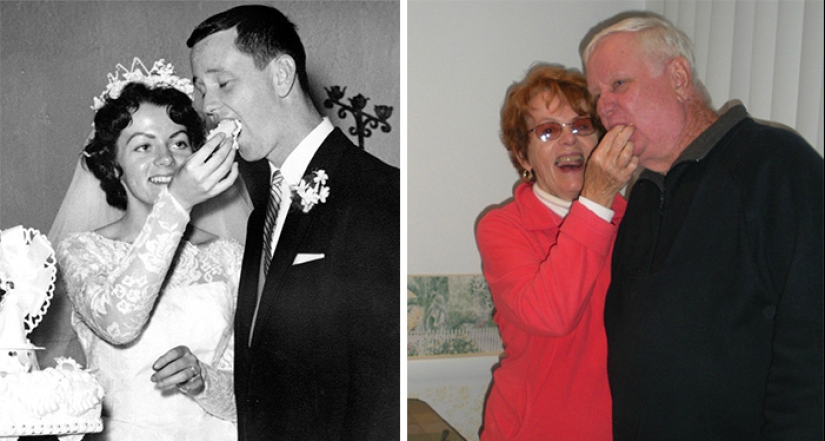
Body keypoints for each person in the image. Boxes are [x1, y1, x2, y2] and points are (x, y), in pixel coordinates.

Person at [583, 13, 824, 440]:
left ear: (679, 78)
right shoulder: (642, 195)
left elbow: (812, 350)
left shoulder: (777, 166)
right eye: (597, 94)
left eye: (619, 84)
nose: (604, 106)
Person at [186, 5, 400, 441]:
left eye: (223, 83)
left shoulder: (378, 194)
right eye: (201, 90)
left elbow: (382, 389)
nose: (208, 106)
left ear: (282, 75)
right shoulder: (260, 216)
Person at [53, 58, 249, 441]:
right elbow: (119, 324)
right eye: (143, 146)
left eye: (179, 143)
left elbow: (249, 397)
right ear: (113, 165)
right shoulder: (84, 251)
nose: (166, 158)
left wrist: (203, 381)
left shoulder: (228, 256)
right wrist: (176, 202)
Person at [475, 62, 638, 440]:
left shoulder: (634, 222)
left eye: (581, 126)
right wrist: (596, 199)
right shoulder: (502, 227)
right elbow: (551, 316)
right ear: (523, 156)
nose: (569, 140)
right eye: (548, 131)